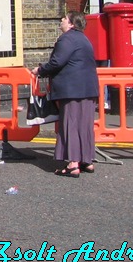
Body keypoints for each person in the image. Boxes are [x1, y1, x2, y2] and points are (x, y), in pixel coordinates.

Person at [32, 11, 99, 178]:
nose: (61, 20)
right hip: (88, 89)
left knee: (71, 124)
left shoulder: (67, 38)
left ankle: (72, 164)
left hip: (72, 90)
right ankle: (87, 160)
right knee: (84, 125)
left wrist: (40, 70)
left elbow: (57, 62)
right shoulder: (84, 39)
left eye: (64, 18)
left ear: (71, 24)